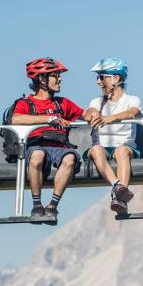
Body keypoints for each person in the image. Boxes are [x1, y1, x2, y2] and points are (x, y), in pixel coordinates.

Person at [10, 57, 98, 223]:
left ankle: (52, 206)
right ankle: (37, 206)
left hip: (59, 146)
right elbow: (15, 119)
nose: (60, 79)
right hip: (36, 145)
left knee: (70, 158)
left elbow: (84, 114)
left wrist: (92, 111)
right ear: (42, 80)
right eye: (55, 75)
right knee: (37, 156)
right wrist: (49, 119)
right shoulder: (25, 103)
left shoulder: (62, 103)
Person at [86, 58, 143, 215]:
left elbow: (132, 113)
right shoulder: (98, 101)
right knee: (96, 150)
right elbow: (90, 111)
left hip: (124, 145)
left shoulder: (132, 100)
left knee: (121, 151)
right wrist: (91, 114)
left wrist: (109, 118)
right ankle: (118, 187)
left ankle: (121, 201)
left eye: (102, 77)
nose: (98, 82)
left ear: (116, 78)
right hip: (103, 147)